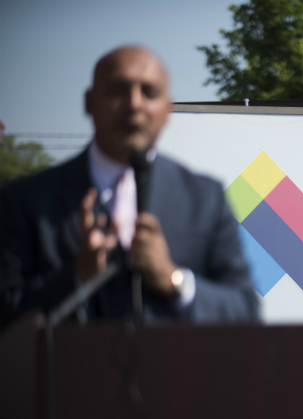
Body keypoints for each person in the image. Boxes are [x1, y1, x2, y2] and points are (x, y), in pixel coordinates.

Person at [0, 46, 258, 327]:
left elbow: (245, 311)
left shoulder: (206, 199)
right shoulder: (23, 201)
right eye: (117, 90)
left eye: (149, 92)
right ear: (89, 102)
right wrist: (76, 277)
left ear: (167, 109)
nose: (134, 103)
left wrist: (173, 280)